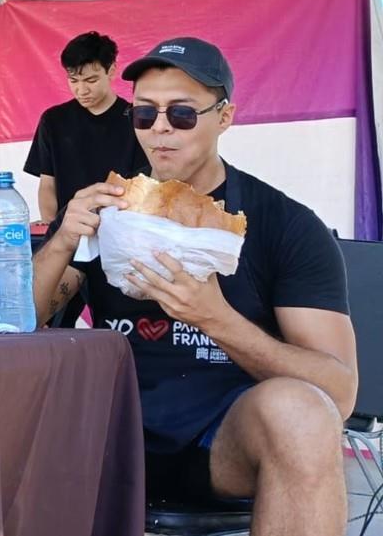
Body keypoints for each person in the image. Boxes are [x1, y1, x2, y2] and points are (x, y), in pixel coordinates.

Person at [33, 37, 357, 534]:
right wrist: (60, 243)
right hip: (106, 430)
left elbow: (338, 392)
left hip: (224, 440)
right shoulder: (107, 206)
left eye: (181, 114)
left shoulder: (282, 223)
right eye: (144, 114)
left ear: (224, 117)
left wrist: (216, 318)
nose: (160, 129)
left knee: (303, 415)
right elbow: (13, 322)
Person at [24, 31, 148, 222]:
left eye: (91, 80)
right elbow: (48, 183)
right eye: (73, 81)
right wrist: (50, 226)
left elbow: (143, 187)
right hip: (68, 229)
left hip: (122, 227)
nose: (82, 90)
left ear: (112, 71)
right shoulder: (53, 120)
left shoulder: (137, 119)